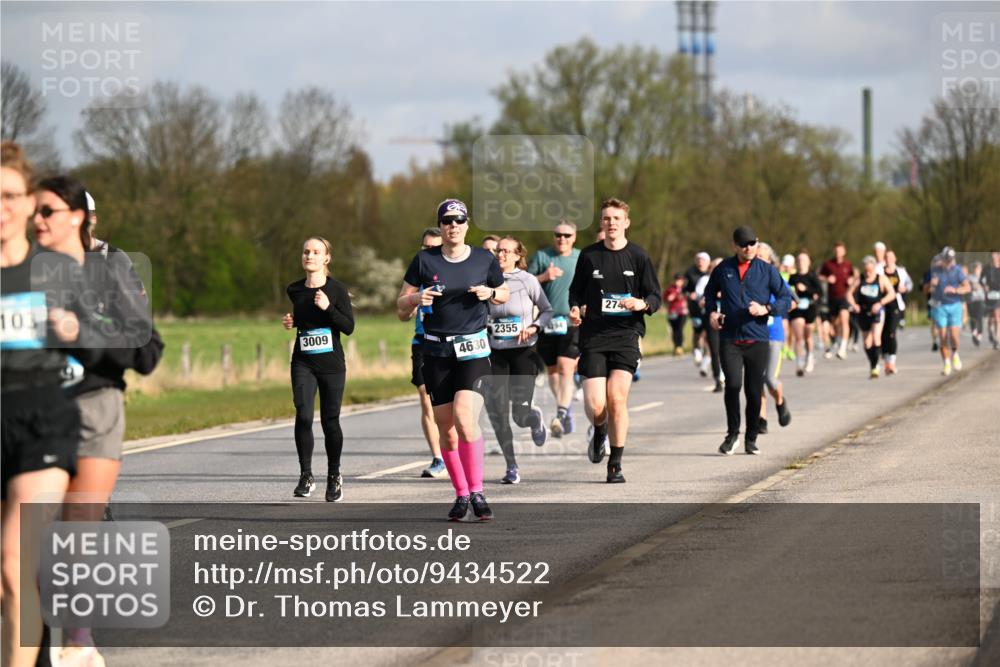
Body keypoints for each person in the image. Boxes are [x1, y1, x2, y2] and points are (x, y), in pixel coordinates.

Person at [32, 179, 164, 665]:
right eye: (35, 212)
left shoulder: (112, 265)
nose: (39, 221)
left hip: (93, 405)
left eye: (51, 212)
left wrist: (84, 333)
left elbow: (146, 347)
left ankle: (76, 641)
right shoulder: (19, 267)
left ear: (80, 219)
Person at [1, 142, 96, 667]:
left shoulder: (57, 271)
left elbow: (113, 335)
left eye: (11, 195)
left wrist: (76, 329)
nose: (1, 207)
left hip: (43, 419)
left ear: (28, 202)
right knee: (6, 579)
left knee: (17, 563)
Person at [397, 198, 508, 521]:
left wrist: (490, 294)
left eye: (459, 221)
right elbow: (401, 308)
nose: (453, 226)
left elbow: (503, 293)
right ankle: (461, 494)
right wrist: (416, 298)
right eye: (447, 221)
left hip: (473, 350)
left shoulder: (484, 259)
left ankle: (478, 491)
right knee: (446, 429)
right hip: (436, 353)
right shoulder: (424, 260)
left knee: (465, 416)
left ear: (467, 225)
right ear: (441, 226)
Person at [568, 197, 661, 483]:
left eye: (616, 219)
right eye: (606, 219)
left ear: (626, 223)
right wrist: (574, 308)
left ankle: (615, 464)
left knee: (617, 399)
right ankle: (599, 430)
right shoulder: (589, 256)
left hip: (626, 336)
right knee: (597, 406)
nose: (611, 223)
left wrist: (641, 304)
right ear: (601, 223)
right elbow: (576, 292)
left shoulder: (638, 256)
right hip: (594, 337)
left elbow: (655, 296)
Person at [705, 226, 792, 456]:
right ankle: (732, 434)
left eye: (753, 243)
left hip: (757, 338)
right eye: (744, 244)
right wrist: (713, 314)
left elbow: (786, 298)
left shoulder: (767, 270)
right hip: (730, 338)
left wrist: (767, 309)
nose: (749, 248)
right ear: (734, 246)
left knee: (754, 391)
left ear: (757, 243)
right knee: (733, 385)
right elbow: (709, 295)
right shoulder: (724, 269)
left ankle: (751, 437)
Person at [283, 237, 355, 502]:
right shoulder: (294, 290)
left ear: (327, 258)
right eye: (306, 252)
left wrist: (329, 308)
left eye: (315, 252)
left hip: (331, 365)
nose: (309, 256)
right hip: (303, 361)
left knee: (329, 420)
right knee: (303, 415)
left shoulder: (336, 289)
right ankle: (306, 475)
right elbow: (303, 320)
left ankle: (334, 475)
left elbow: (348, 327)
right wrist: (291, 321)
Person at [484, 236, 553, 484]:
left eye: (505, 251)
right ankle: (511, 466)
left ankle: (533, 419)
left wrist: (534, 327)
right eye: (497, 251)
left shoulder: (527, 280)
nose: (500, 255)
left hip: (523, 351)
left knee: (518, 415)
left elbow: (547, 310)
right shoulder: (486, 281)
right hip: (495, 352)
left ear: (517, 255)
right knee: (498, 412)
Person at [398, 228, 447, 478]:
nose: (428, 252)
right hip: (422, 343)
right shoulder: (416, 274)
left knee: (450, 405)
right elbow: (401, 314)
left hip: (450, 345)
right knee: (426, 400)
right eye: (424, 247)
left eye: (433, 247)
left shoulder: (453, 271)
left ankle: (454, 449)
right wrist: (415, 300)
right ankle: (438, 458)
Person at [527, 221, 581, 438]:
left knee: (566, 368)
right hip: (547, 321)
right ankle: (565, 408)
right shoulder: (542, 257)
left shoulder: (581, 258)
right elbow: (526, 283)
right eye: (558, 235)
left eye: (567, 235)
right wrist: (543, 277)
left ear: (574, 237)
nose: (562, 239)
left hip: (571, 322)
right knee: (552, 371)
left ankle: (560, 413)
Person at [755, 243, 792, 434]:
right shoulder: (747, 278)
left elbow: (792, 302)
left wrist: (772, 308)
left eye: (763, 257)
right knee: (756, 379)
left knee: (769, 378)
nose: (759, 259)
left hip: (773, 335)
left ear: (770, 261)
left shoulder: (775, 278)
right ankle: (761, 418)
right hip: (753, 334)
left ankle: (779, 400)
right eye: (757, 256)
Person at [847, 256, 896, 378]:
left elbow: (892, 294)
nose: (868, 273)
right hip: (863, 312)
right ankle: (873, 363)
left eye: (870, 270)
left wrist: (881, 303)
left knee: (876, 338)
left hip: (877, 311)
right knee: (867, 343)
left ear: (874, 268)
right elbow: (848, 294)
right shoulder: (860, 280)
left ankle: (875, 368)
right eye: (866, 270)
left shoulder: (881, 279)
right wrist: (854, 305)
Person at [929, 247, 971, 375]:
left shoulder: (958, 270)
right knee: (942, 336)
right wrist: (932, 285)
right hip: (940, 306)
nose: (949, 262)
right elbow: (928, 289)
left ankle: (955, 354)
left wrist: (956, 290)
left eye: (951, 259)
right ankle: (946, 362)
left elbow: (967, 287)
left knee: (953, 335)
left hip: (954, 305)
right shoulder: (936, 270)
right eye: (947, 259)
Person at [788, 250, 822, 376]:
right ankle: (799, 363)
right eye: (799, 260)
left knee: (808, 336)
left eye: (803, 260)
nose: (801, 262)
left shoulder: (813, 276)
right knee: (798, 336)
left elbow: (820, 292)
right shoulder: (793, 277)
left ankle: (810, 356)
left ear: (809, 262)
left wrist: (806, 289)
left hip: (810, 308)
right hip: (796, 308)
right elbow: (788, 291)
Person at [819, 241, 855, 360]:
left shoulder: (848, 265)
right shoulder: (828, 264)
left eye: (840, 250)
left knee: (844, 320)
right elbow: (819, 276)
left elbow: (854, 277)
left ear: (844, 251)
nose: (838, 252)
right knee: (835, 324)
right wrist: (827, 278)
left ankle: (842, 348)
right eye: (836, 250)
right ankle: (838, 340)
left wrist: (851, 280)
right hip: (831, 298)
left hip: (844, 297)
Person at [881, 250, 912, 374]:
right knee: (883, 334)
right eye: (886, 257)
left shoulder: (901, 272)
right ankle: (886, 359)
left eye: (891, 257)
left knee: (891, 333)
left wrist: (905, 288)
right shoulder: (880, 272)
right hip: (882, 305)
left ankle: (892, 361)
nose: (888, 259)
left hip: (895, 305)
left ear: (895, 259)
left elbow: (910, 284)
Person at [684, 252, 711, 374]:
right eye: (698, 260)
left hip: (710, 309)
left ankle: (705, 363)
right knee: (697, 332)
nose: (701, 262)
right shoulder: (690, 273)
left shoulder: (712, 273)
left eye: (703, 260)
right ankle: (697, 351)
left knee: (708, 336)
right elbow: (684, 290)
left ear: (708, 262)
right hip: (695, 309)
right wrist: (690, 295)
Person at [700, 257, 725, 392]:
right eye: (716, 266)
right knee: (714, 351)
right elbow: (701, 300)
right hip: (712, 319)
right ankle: (718, 380)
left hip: (729, 319)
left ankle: (728, 375)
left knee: (727, 350)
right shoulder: (705, 280)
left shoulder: (732, 279)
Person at [663, 273, 688, 355]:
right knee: (674, 330)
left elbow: (689, 297)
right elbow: (665, 298)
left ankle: (679, 347)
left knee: (679, 329)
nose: (678, 282)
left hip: (682, 312)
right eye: (677, 280)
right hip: (673, 312)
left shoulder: (685, 289)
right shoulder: (670, 288)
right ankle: (676, 346)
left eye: (680, 280)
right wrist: (670, 298)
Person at [983, 250, 1000, 350]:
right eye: (992, 255)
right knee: (992, 317)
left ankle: (997, 339)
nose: (994, 257)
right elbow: (981, 279)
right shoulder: (987, 268)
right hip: (990, 295)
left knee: (997, 317)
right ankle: (990, 332)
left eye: (996, 255)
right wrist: (984, 286)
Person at [967, 262, 987, 347]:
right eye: (975, 268)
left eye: (978, 268)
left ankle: (979, 335)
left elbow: (987, 287)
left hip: (981, 300)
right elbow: (967, 286)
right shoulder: (969, 277)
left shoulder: (984, 278)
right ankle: (974, 332)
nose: (977, 270)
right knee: (972, 318)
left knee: (979, 318)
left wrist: (979, 286)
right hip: (971, 300)